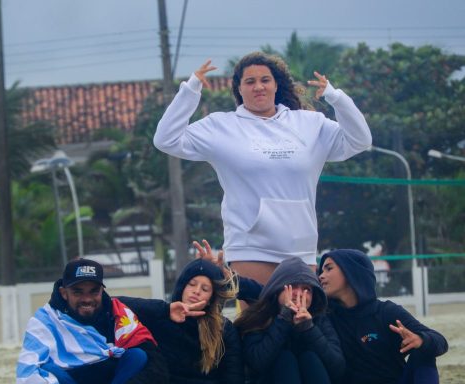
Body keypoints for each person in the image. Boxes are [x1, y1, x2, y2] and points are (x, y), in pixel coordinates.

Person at [153, 52, 372, 285]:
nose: (258, 87)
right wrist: (191, 90)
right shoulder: (221, 126)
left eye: (265, 80)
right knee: (256, 321)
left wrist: (335, 97)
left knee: (301, 320)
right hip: (250, 247)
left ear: (276, 85)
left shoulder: (310, 124)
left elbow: (360, 140)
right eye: (250, 81)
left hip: (301, 246)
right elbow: (166, 139)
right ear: (239, 89)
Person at [120, 258, 286, 384]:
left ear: (212, 297)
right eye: (192, 284)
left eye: (205, 289)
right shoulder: (161, 317)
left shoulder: (224, 329)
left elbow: (234, 383)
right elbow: (114, 303)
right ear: (182, 286)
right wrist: (165, 309)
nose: (196, 291)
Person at [16, 258, 168, 384]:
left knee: (138, 357)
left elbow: (157, 369)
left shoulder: (119, 314)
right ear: (63, 293)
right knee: (48, 370)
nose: (87, 299)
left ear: (102, 291)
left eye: (94, 291)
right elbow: (26, 379)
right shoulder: (45, 321)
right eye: (78, 291)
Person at [318, 249, 448, 384]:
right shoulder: (326, 319)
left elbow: (440, 341)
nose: (321, 276)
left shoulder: (386, 312)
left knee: (424, 350)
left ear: (351, 271)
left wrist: (420, 339)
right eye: (321, 270)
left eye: (328, 269)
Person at [233, 256, 344, 384]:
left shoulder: (319, 318)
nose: (298, 294)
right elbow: (257, 363)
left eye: (306, 289)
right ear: (278, 289)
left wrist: (309, 329)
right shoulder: (259, 315)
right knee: (284, 359)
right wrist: (283, 319)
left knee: (310, 358)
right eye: (292, 287)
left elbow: (337, 368)